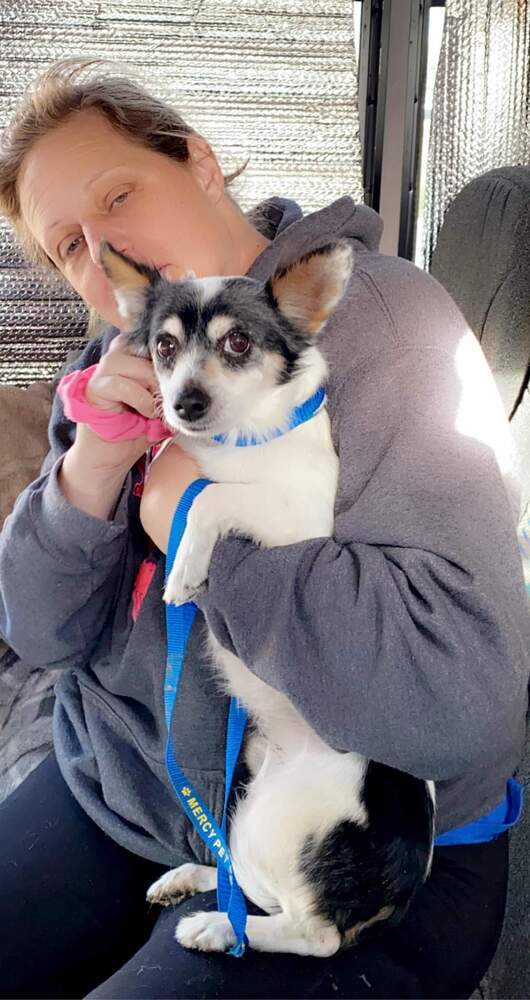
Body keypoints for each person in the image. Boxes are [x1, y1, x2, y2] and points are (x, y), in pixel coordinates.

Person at [0, 57, 528, 1000]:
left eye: (119, 194)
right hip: (124, 793)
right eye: (67, 245)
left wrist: (195, 522)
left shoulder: (387, 330)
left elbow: (458, 706)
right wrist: (91, 471)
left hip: (365, 850)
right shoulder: (117, 367)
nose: (102, 246)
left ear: (199, 163)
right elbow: (39, 632)